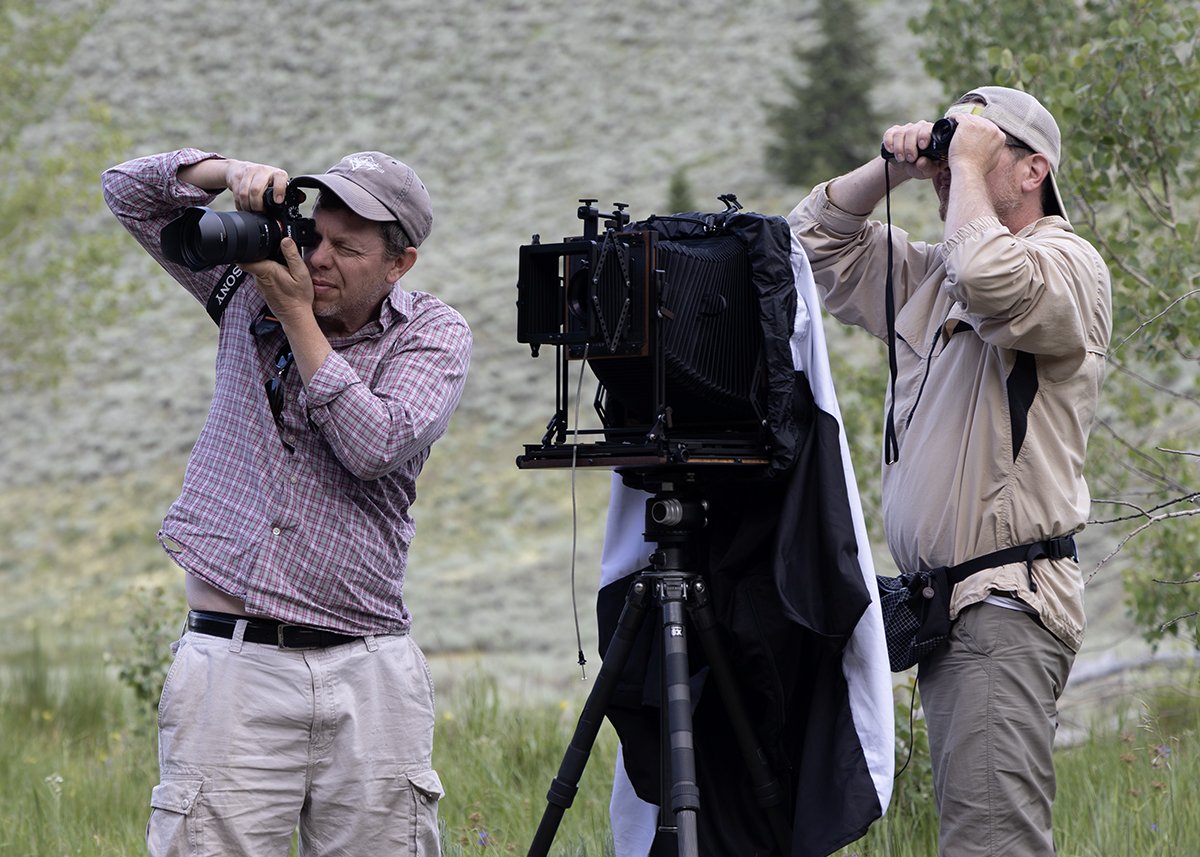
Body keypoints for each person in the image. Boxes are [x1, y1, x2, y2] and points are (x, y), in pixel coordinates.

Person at [102, 148, 472, 856]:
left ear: (400, 264)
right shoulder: (248, 287)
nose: (318, 258)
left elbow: (376, 443)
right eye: (314, 236)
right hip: (233, 663)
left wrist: (295, 315)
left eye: (346, 248)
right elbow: (126, 192)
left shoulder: (431, 332)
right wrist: (224, 173)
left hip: (367, 668)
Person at [787, 86, 1111, 856]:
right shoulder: (936, 275)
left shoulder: (1069, 266)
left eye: (977, 151)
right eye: (948, 153)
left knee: (990, 844)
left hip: (1003, 602)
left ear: (1033, 171)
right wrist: (896, 169)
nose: (950, 168)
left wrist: (959, 161)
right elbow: (811, 243)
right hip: (950, 611)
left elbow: (992, 280)